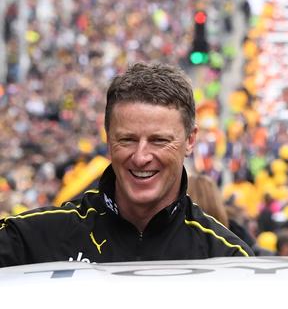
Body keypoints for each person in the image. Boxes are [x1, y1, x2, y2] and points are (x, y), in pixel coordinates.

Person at [0, 62, 253, 267]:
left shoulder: (226, 257)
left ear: (190, 140)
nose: (141, 156)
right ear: (108, 139)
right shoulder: (35, 239)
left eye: (159, 141)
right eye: (128, 139)